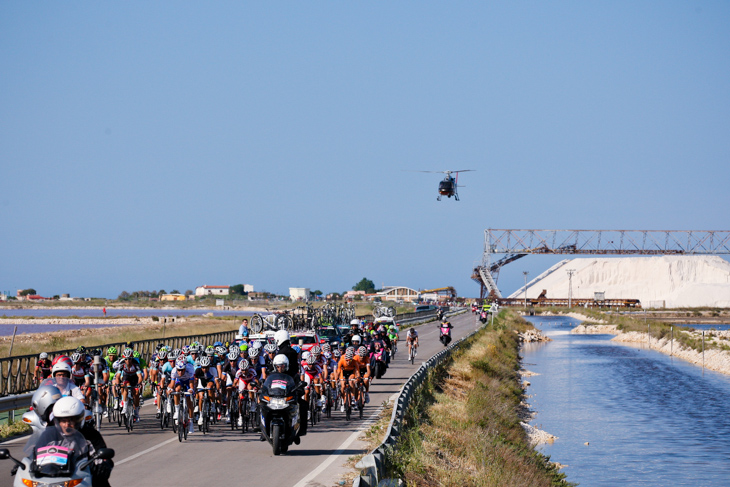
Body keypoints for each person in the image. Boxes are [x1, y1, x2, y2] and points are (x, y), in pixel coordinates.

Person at [274, 329, 308, 435]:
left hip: (281, 381)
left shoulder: (280, 352)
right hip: (290, 382)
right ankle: (302, 429)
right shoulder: (293, 352)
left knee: (263, 403)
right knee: (302, 404)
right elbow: (295, 370)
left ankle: (261, 428)